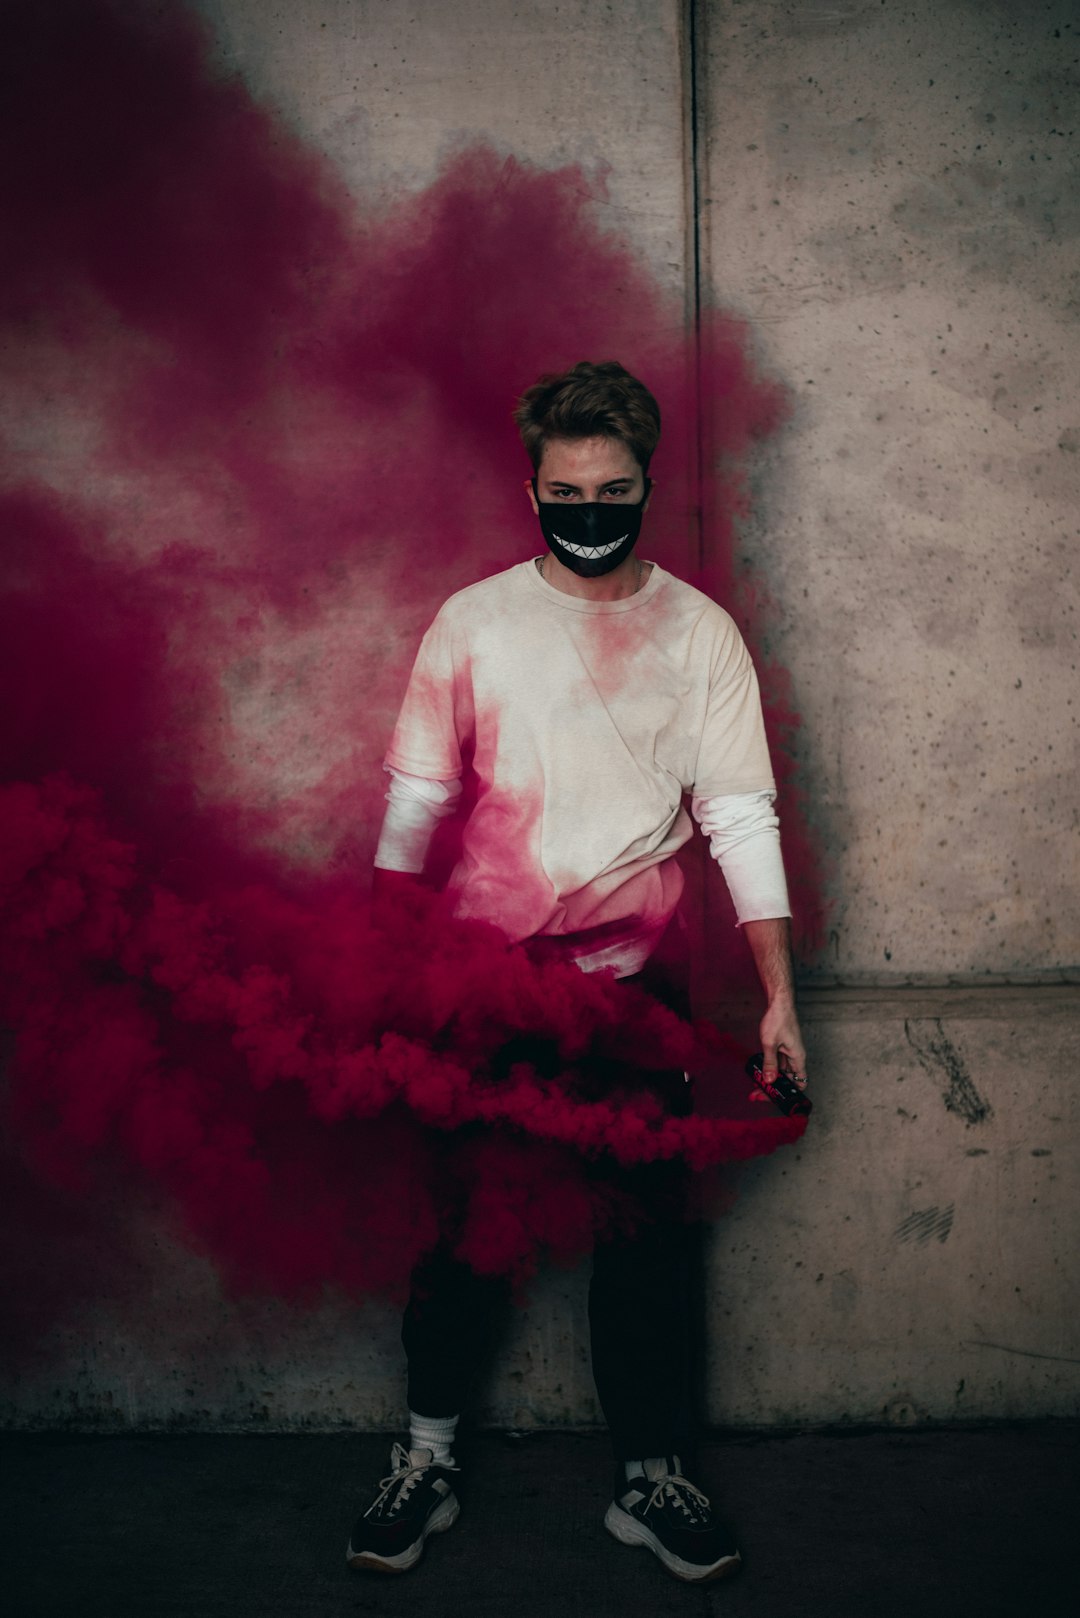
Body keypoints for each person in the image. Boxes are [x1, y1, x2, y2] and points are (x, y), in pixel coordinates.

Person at [346, 359, 807, 1583]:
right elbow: (416, 802)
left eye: (614, 489)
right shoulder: (475, 621)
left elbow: (742, 815)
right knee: (460, 1232)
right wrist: (387, 963)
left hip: (637, 992)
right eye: (566, 489)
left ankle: (651, 1477)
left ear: (649, 483)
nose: (589, 510)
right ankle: (427, 1459)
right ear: (532, 486)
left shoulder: (701, 632)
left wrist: (778, 999)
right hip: (479, 981)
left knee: (648, 1241)